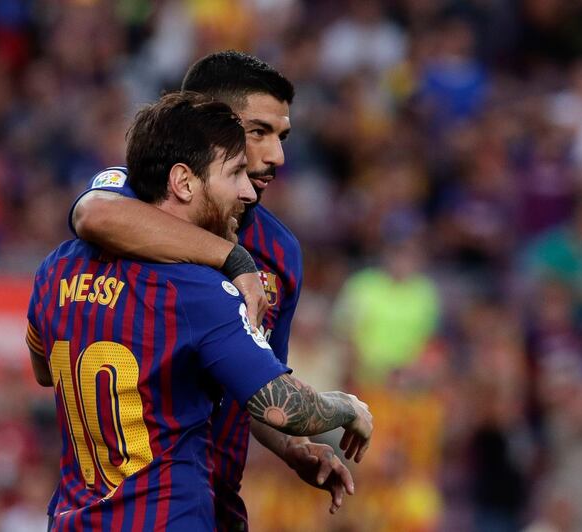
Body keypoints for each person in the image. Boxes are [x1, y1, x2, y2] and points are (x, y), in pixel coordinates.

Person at [26, 92, 372, 531]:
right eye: (234, 174)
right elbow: (282, 408)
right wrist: (346, 407)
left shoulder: (55, 268)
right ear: (184, 182)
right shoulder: (201, 292)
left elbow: (42, 369)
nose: (247, 192)